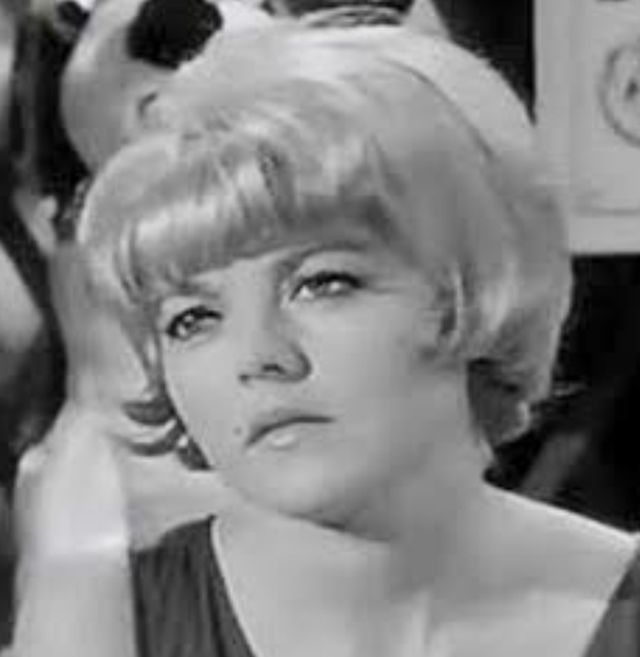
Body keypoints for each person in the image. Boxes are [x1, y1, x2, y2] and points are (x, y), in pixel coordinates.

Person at [16, 21, 640, 657]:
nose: (260, 357)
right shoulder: (102, 623)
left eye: (322, 284)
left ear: (472, 285)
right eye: (193, 320)